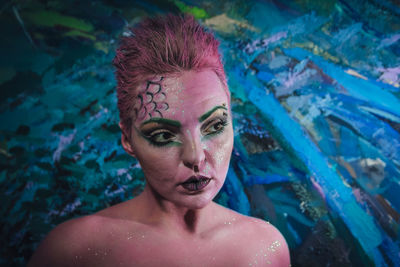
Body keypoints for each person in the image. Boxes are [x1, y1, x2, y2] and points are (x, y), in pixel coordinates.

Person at [28, 13, 290, 266]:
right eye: (164, 135)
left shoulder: (265, 248)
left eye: (215, 125)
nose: (195, 157)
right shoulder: (74, 251)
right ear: (128, 139)